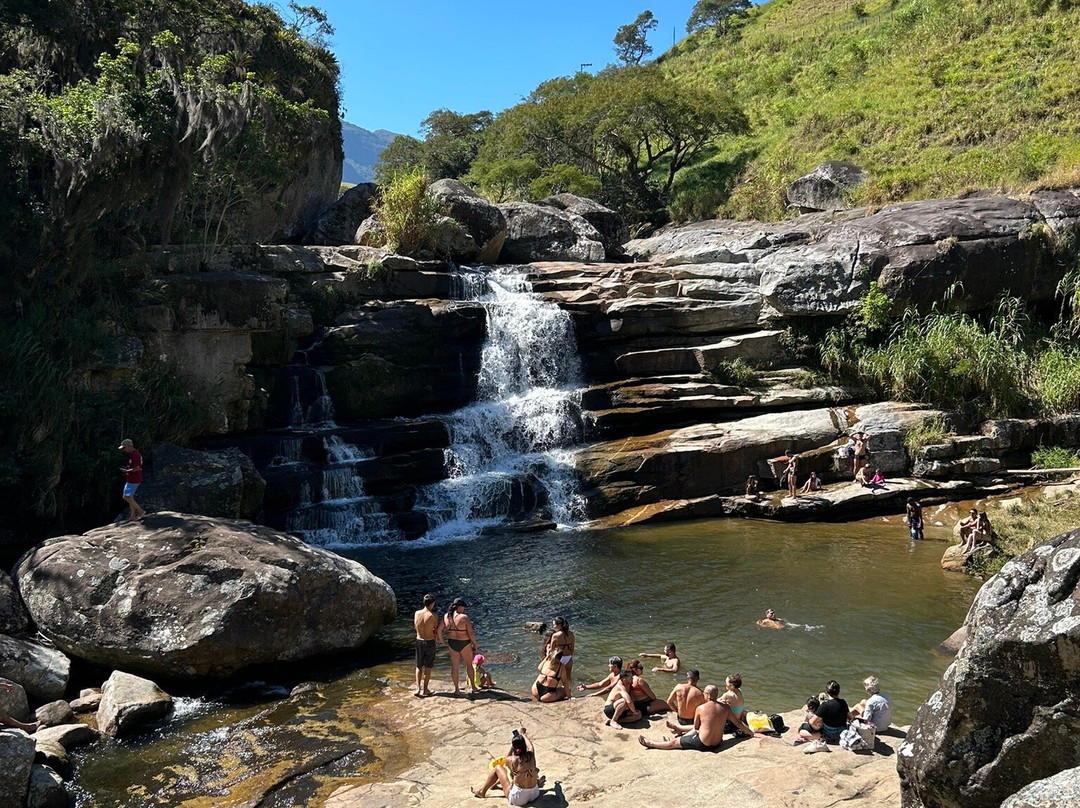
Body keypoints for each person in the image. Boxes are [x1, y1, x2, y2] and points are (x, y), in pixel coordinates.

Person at [638, 684, 742, 752]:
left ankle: (651, 743)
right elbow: (738, 723)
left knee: (674, 743)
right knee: (704, 727)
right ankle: (679, 731)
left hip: (704, 744)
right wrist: (751, 733)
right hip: (718, 743)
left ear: (708, 695)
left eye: (704, 693)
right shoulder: (726, 707)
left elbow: (696, 728)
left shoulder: (701, 708)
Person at [471, 726, 542, 805]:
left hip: (519, 798)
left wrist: (513, 745)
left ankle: (482, 791)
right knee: (532, 770)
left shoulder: (512, 760)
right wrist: (523, 734)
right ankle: (537, 781)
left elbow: (505, 760)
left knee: (497, 768)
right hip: (534, 793)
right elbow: (530, 746)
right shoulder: (531, 755)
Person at [444, 598, 479, 695]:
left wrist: (443, 642)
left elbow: (439, 630)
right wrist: (475, 644)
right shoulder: (464, 617)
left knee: (455, 667)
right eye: (463, 607)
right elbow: (471, 633)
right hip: (464, 643)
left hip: (452, 643)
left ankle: (456, 689)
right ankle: (473, 687)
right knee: (469, 665)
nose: (464, 609)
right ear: (459, 607)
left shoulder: (447, 616)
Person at [413, 594, 444, 698]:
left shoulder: (417, 613)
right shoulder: (433, 616)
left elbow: (415, 626)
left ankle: (418, 688)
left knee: (418, 665)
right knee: (428, 666)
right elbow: (435, 630)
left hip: (419, 640)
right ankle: (425, 689)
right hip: (429, 641)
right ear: (432, 604)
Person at [118, 438, 146, 521]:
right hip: (131, 479)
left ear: (129, 446)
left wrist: (126, 471)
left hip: (134, 479)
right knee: (130, 497)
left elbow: (137, 468)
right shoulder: (133, 454)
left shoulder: (135, 455)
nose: (124, 450)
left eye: (124, 448)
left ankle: (140, 511)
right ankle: (133, 516)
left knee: (126, 497)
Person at [549, 616, 575, 685]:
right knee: (568, 678)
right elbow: (572, 648)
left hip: (558, 658)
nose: (553, 627)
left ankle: (556, 692)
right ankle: (570, 691)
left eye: (554, 625)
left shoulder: (555, 635)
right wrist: (569, 656)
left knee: (555, 678)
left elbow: (552, 650)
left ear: (559, 625)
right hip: (568, 658)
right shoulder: (571, 634)